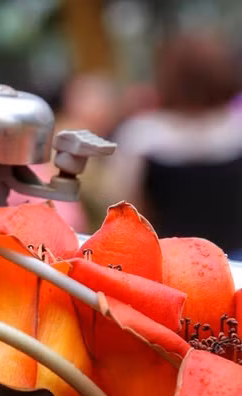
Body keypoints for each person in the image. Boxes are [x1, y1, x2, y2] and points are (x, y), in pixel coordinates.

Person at [100, 30, 242, 258]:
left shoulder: (141, 136)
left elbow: (121, 205)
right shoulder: (237, 130)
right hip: (236, 262)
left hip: (170, 263)